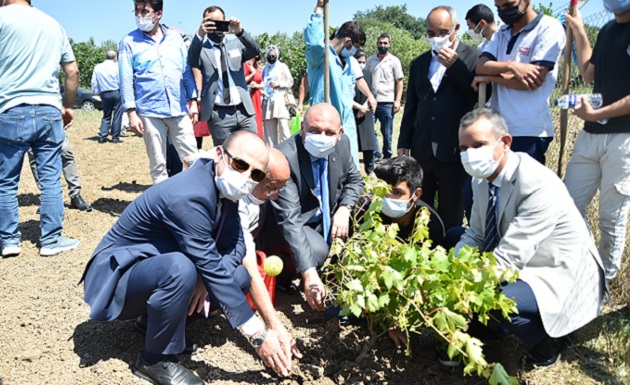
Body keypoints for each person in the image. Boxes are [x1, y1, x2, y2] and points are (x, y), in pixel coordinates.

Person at [82, 131, 300, 384]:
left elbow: (236, 247)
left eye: (256, 174)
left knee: (238, 276)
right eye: (240, 164)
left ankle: (153, 325)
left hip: (154, 270)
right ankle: (154, 360)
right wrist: (258, 334)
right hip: (119, 280)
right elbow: (209, 263)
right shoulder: (190, 195)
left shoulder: (223, 189)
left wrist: (205, 281)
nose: (245, 177)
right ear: (219, 154)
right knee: (181, 268)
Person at [454, 108, 605, 369]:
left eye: (478, 145)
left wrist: (459, 287)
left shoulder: (535, 183)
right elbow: (476, 233)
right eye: (463, 148)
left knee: (494, 302)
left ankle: (549, 340)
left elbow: (509, 257)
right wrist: (450, 267)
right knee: (453, 238)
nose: (470, 155)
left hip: (559, 270)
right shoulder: (481, 180)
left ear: (505, 142)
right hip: (522, 256)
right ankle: (492, 327)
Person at [257, 103, 364, 311]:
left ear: (339, 133)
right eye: (314, 130)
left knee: (364, 207)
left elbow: (355, 180)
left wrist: (344, 208)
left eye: (329, 132)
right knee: (317, 251)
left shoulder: (342, 146)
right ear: (302, 129)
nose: (322, 137)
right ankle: (286, 274)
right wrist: (309, 273)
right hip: (291, 224)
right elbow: (290, 221)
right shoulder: (285, 157)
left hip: (325, 217)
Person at [0, 0, 80, 257]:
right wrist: (67, 106)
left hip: (10, 108)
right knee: (49, 180)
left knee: (6, 181)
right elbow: (72, 71)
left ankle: (9, 240)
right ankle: (51, 239)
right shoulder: (53, 24)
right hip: (48, 109)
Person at [563, 2, 630, 283]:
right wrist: (579, 31)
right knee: (566, 207)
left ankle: (605, 282)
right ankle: (584, 268)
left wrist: (598, 113)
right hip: (591, 135)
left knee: (611, 217)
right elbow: (589, 73)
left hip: (624, 139)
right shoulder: (607, 30)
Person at [397, 6, 479, 230]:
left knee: (451, 208)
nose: (437, 39)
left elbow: (476, 96)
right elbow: (412, 106)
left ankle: (449, 250)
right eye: (431, 34)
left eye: (443, 33)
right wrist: (404, 141)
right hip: (422, 148)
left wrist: (454, 67)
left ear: (456, 29)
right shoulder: (419, 63)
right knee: (421, 207)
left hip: (454, 148)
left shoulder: (473, 58)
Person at [473, 0, 565, 165]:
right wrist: (512, 66)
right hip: (498, 129)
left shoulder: (548, 28)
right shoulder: (502, 32)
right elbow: (480, 67)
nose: (503, 11)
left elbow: (531, 81)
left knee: (522, 187)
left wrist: (492, 77)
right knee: (495, 188)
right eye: (498, 7)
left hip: (528, 130)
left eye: (508, 5)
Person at [119, 0, 199, 184]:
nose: (139, 16)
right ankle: (164, 208)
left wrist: (193, 101)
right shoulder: (128, 42)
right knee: (158, 165)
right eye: (137, 11)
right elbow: (125, 79)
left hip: (179, 109)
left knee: (194, 159)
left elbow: (186, 71)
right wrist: (131, 113)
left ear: (158, 14)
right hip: (149, 112)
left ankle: (198, 201)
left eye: (145, 11)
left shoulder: (176, 38)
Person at [305, 0, 376, 168]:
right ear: (348, 41)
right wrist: (319, 9)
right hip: (325, 125)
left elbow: (354, 85)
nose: (355, 52)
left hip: (346, 125)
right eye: (355, 47)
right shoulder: (321, 56)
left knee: (349, 169)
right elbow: (314, 42)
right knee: (326, 170)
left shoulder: (349, 62)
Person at [188, 5, 260, 146]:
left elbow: (255, 50)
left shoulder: (236, 44)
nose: (216, 27)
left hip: (244, 111)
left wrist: (239, 32)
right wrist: (199, 35)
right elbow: (191, 60)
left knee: (254, 150)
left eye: (220, 22)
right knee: (226, 157)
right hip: (219, 115)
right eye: (211, 23)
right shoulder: (202, 49)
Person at [27, 134, 92, 212]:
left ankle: (75, 194)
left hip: (53, 123)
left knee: (65, 151)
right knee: (36, 157)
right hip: (29, 126)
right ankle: (47, 198)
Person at [365, 33, 404, 160]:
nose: (382, 45)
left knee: (387, 133)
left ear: (389, 44)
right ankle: (376, 154)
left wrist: (397, 100)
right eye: (380, 43)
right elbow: (365, 79)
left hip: (387, 101)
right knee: (370, 129)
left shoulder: (394, 61)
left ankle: (387, 156)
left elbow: (399, 81)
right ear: (377, 44)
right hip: (372, 101)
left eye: (385, 43)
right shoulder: (370, 60)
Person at [262, 45, 294, 147]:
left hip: (280, 100)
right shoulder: (265, 69)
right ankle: (272, 152)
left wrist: (279, 84)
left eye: (273, 55)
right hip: (268, 100)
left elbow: (290, 81)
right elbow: (263, 83)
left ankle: (287, 150)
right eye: (269, 55)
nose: (271, 57)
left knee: (284, 127)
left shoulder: (282, 66)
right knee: (269, 132)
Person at [352, 49, 378, 175]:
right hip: (351, 112)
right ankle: (353, 170)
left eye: (363, 62)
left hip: (366, 111)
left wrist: (364, 108)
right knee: (353, 142)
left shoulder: (368, 74)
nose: (361, 64)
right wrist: (358, 108)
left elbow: (372, 92)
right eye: (359, 61)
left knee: (369, 141)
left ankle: (370, 169)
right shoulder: (348, 73)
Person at [91, 50, 123, 144]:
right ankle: (115, 137)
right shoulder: (117, 66)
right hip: (116, 92)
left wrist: (98, 92)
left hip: (105, 93)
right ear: (115, 57)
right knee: (117, 115)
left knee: (106, 115)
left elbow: (94, 82)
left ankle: (102, 137)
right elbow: (120, 80)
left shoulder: (98, 67)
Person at [245, 55, 265, 137]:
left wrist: (257, 85)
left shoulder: (256, 67)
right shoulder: (245, 66)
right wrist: (252, 73)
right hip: (249, 96)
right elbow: (243, 80)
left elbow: (264, 83)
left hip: (257, 96)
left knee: (258, 118)